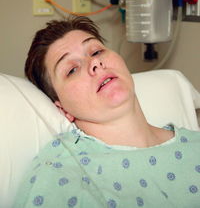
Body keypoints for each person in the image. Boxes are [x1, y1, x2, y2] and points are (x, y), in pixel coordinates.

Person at [14, 16, 200, 208]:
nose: (95, 63)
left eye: (96, 51)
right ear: (62, 108)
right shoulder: (60, 173)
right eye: (72, 70)